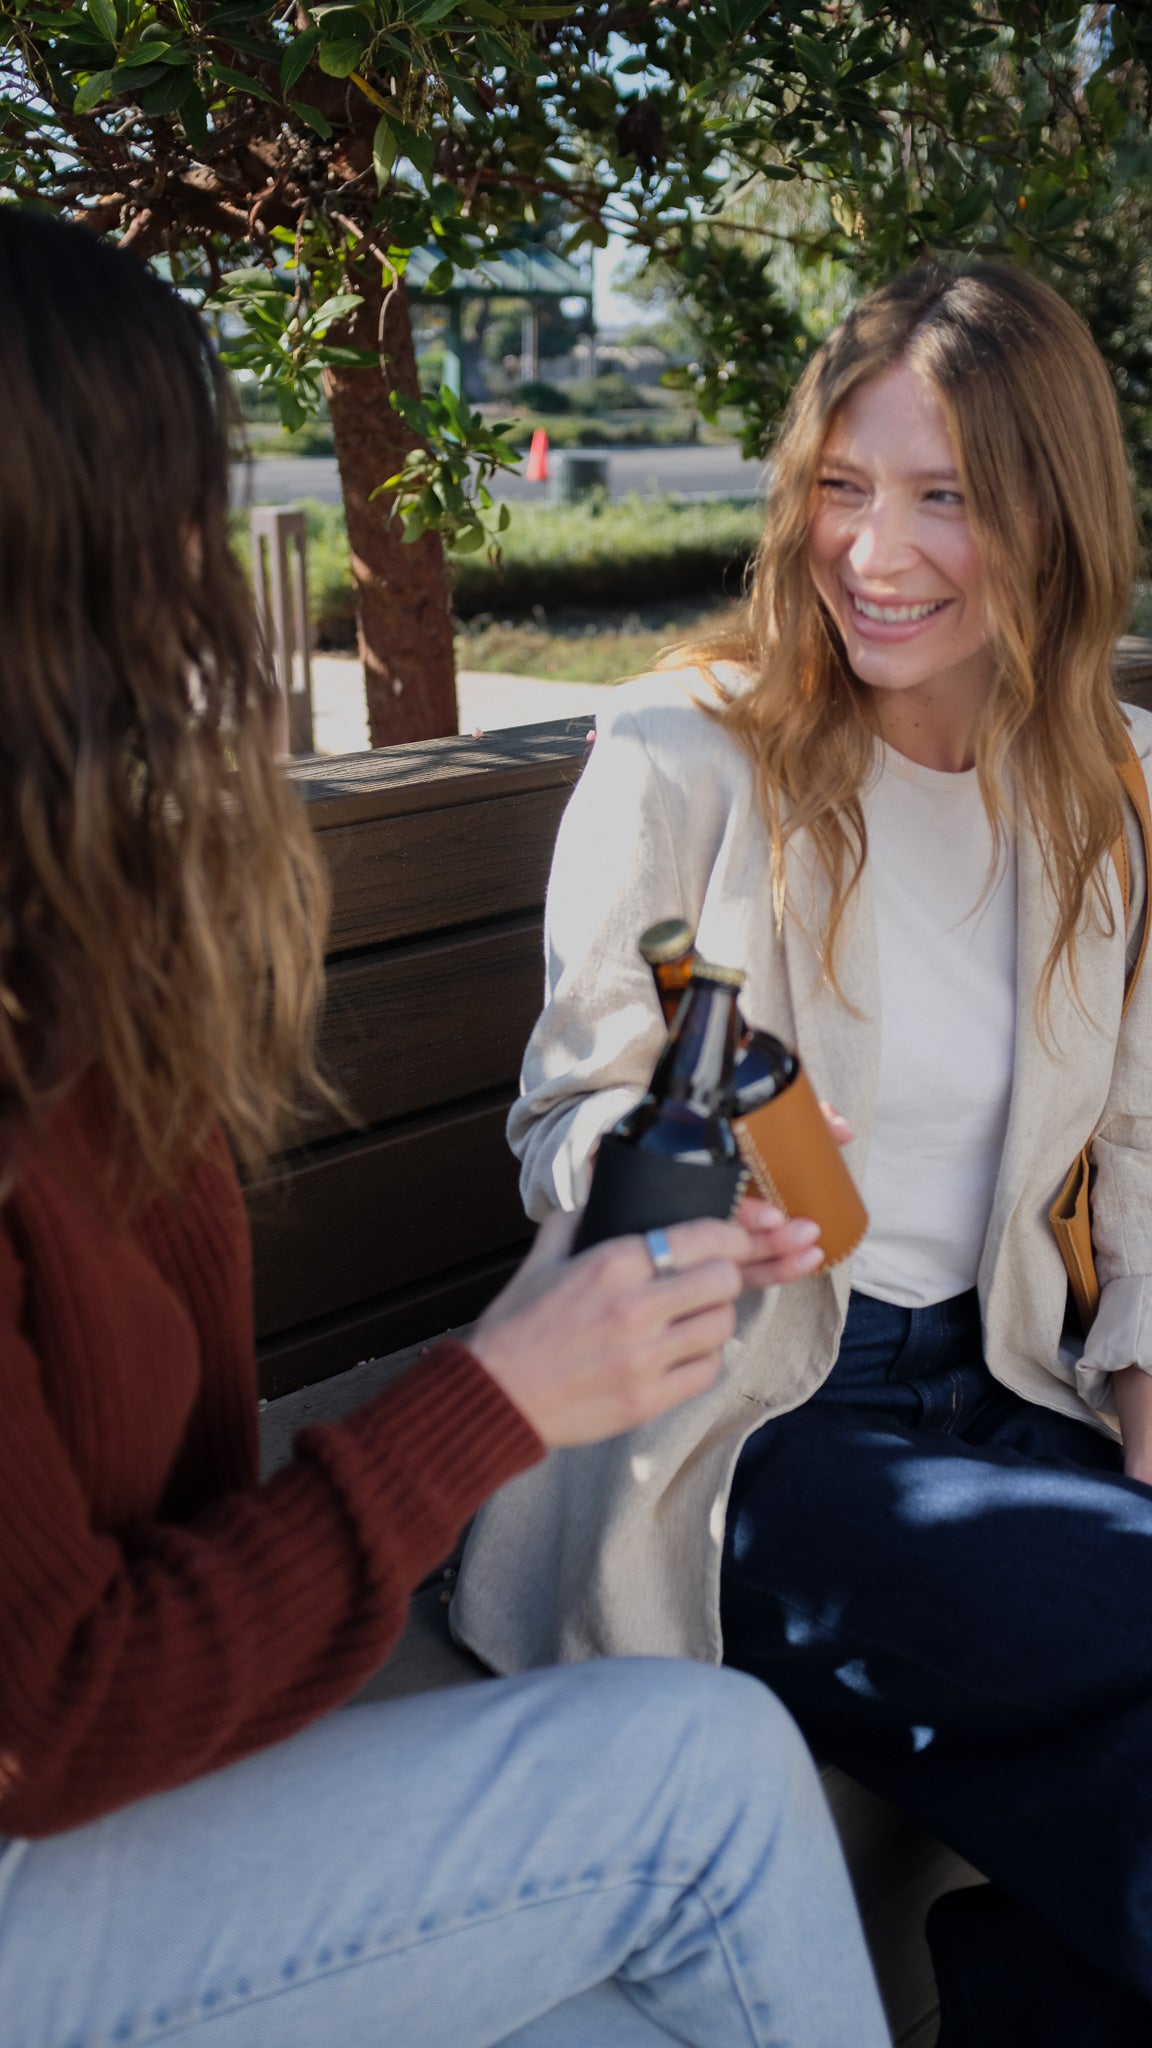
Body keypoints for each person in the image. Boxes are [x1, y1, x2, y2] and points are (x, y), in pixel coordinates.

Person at [0, 208, 892, 2048]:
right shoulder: (677, 755)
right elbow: (57, 1711)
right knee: (712, 1785)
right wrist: (498, 1391)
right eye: (184, 498)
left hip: (112, 1793)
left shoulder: (70, 960)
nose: (222, 569)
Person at [451, 262, 1152, 2043]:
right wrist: (687, 1162)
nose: (876, 552)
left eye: (943, 497)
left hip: (1001, 1389)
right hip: (745, 1411)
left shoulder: (1119, 788)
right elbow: (565, 1117)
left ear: (1053, 515)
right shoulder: (686, 755)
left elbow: (1136, 1140)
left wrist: (1143, 1372)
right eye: (842, 489)